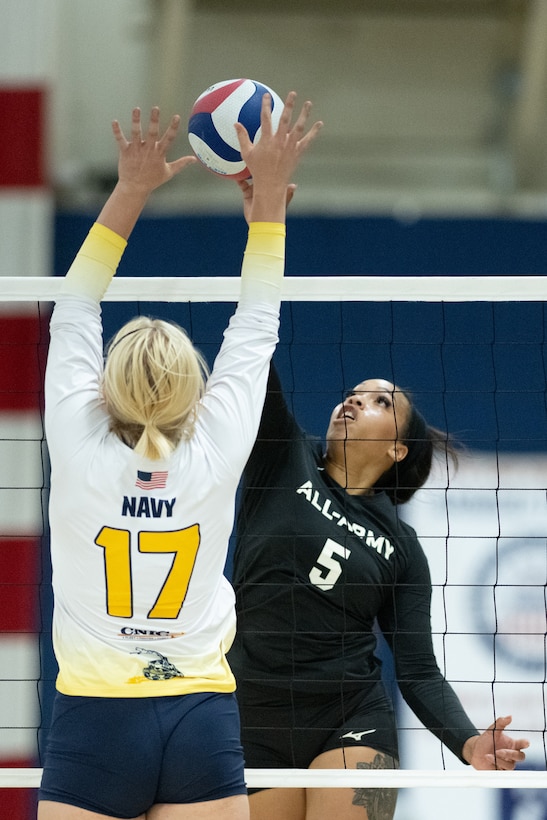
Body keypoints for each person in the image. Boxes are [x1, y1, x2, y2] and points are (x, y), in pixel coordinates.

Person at [38, 94, 322, 820]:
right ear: (194, 387)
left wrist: (129, 189)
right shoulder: (217, 446)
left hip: (97, 720)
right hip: (199, 713)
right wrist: (266, 211)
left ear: (107, 385)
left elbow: (72, 308)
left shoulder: (76, 441)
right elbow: (257, 323)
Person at [228, 364, 531, 820]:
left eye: (379, 402)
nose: (353, 401)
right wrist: (258, 300)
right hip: (253, 712)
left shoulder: (402, 546)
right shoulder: (282, 454)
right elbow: (253, 362)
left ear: (397, 448)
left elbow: (418, 671)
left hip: (348, 716)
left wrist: (467, 741)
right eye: (352, 394)